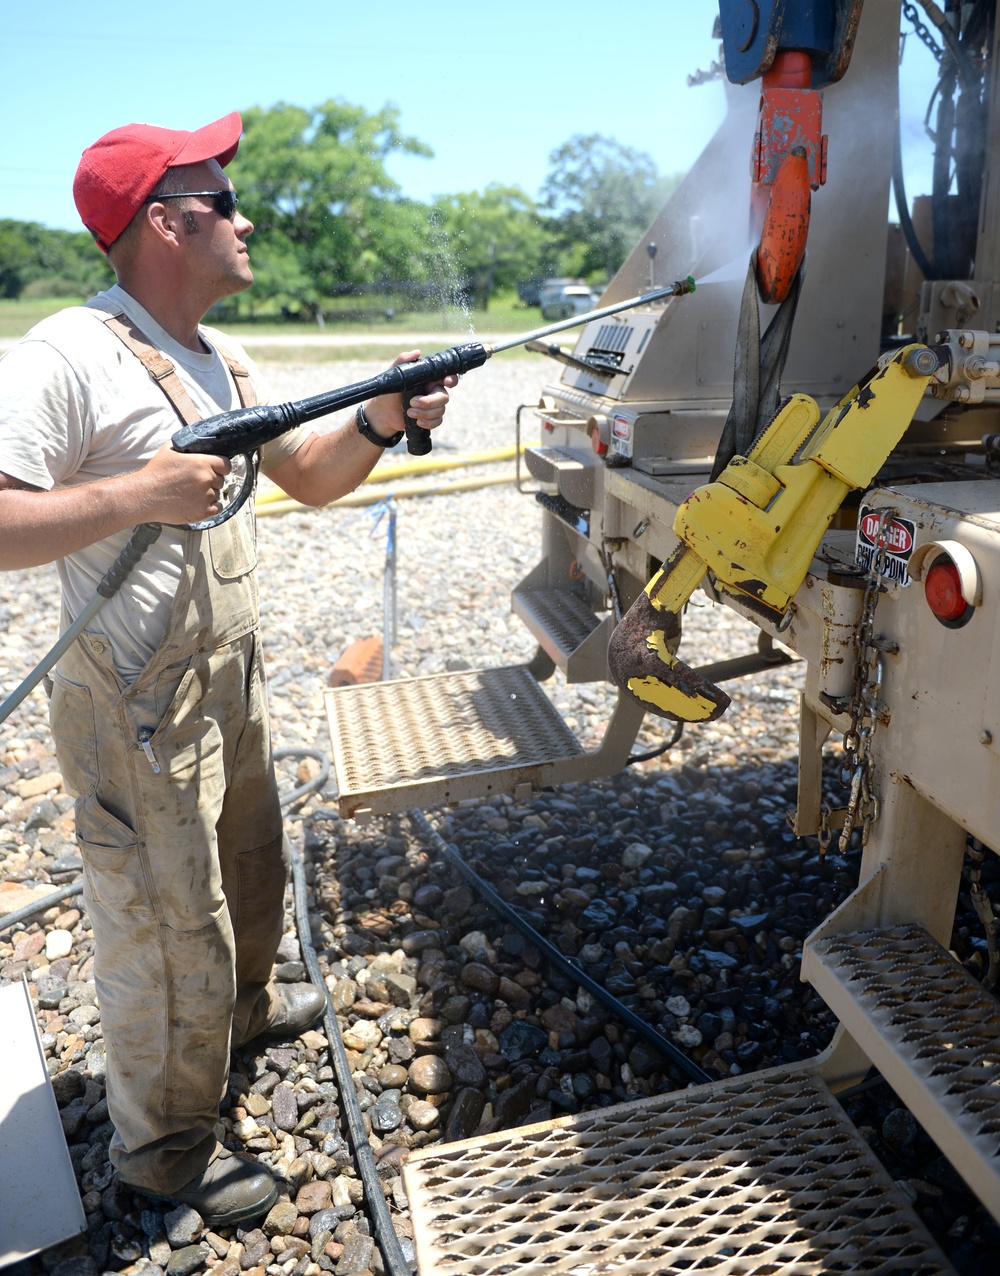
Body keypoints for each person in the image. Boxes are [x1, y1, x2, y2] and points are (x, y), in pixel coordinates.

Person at [0, 113, 454, 1226]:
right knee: (166, 929)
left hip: (226, 679)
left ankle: (242, 1014)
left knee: (250, 862)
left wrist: (384, 419)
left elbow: (308, 474)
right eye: (221, 201)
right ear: (162, 220)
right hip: (133, 703)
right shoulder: (64, 353)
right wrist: (136, 496)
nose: (245, 220)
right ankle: (159, 1158)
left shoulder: (214, 354)